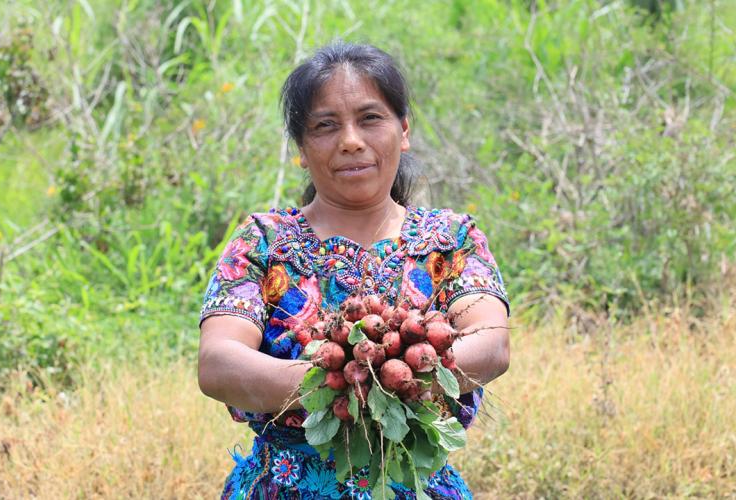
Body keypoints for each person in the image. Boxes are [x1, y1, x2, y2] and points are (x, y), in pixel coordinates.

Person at [198, 41, 510, 499]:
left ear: (403, 130)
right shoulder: (263, 242)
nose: (350, 140)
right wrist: (335, 380)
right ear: (302, 149)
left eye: (370, 119)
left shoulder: (450, 239)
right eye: (326, 125)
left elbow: (493, 343)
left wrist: (396, 373)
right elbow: (218, 362)